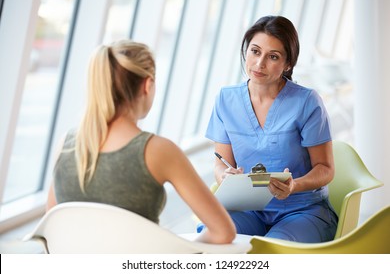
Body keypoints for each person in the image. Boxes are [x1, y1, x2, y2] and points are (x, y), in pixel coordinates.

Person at [46, 39, 236, 244]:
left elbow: (52, 228)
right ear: (147, 85)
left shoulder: (66, 144)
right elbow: (223, 232)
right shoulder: (157, 150)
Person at [202, 15, 338, 243]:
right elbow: (221, 162)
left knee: (272, 252)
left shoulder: (307, 102)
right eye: (255, 51)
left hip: (301, 210)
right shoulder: (226, 99)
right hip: (247, 208)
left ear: (288, 64)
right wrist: (225, 175)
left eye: (272, 57)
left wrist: (294, 186)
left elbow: (326, 169)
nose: (259, 64)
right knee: (213, 239)